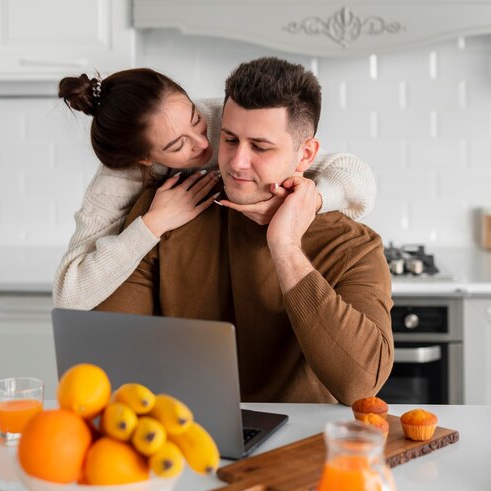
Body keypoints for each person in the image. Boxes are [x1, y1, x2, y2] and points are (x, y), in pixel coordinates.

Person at [95, 57, 394, 406]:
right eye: (230, 139)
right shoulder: (167, 210)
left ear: (306, 154)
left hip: (303, 448)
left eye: (261, 147)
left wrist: (284, 247)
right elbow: (107, 354)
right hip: (184, 436)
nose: (236, 162)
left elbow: (360, 384)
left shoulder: (353, 245)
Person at [53, 68, 376, 310]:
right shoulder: (118, 177)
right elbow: (70, 294)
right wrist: (154, 223)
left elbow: (356, 176)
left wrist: (311, 201)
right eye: (178, 145)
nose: (203, 143)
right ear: (144, 158)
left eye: (196, 120)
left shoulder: (225, 120)